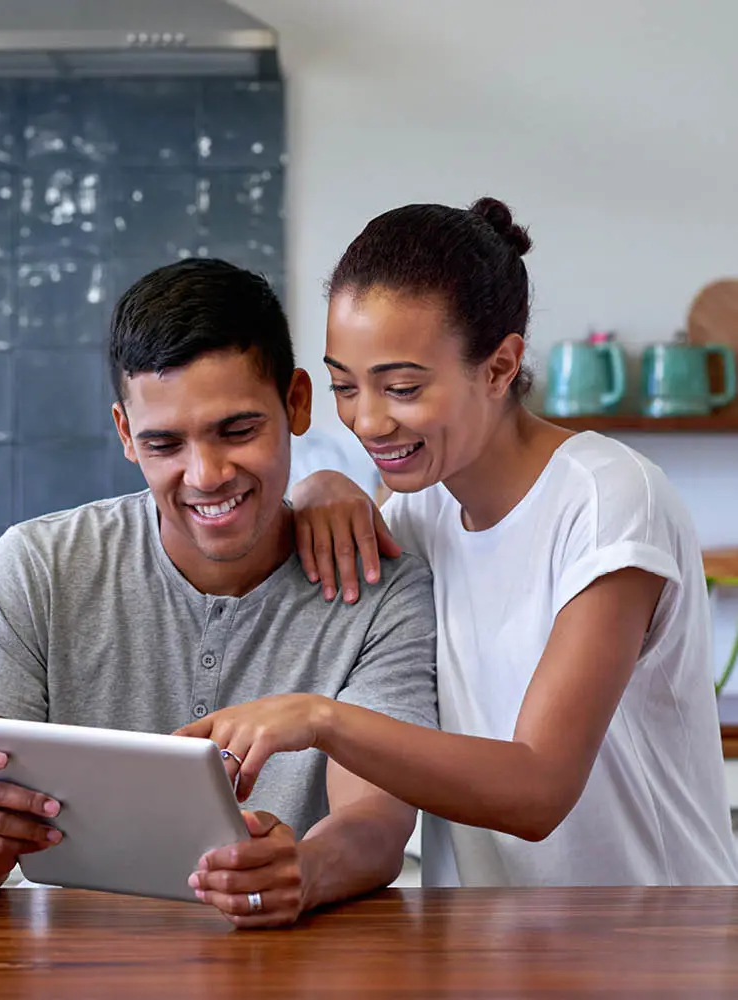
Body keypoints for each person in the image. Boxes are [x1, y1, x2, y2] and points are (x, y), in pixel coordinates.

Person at [179, 199, 738, 887]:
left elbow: (537, 789)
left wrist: (321, 719)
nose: (369, 420)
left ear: (500, 366)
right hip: (490, 952)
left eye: (403, 387)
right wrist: (323, 483)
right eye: (343, 386)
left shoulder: (608, 501)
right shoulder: (416, 508)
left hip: (653, 949)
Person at [0, 258, 439, 926]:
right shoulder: (36, 567)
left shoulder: (380, 588)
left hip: (287, 964)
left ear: (296, 403)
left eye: (237, 431)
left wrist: (304, 870)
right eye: (164, 442)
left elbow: (375, 822)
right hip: (75, 965)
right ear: (126, 434)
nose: (206, 474)